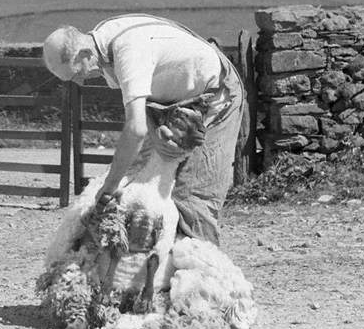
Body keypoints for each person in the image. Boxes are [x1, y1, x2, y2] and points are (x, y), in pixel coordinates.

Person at [42, 14, 244, 245]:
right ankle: (156, 269)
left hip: (216, 95)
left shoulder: (127, 52)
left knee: (191, 198)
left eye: (77, 73)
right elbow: (142, 107)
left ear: (85, 54)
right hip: (175, 98)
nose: (79, 82)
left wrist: (109, 187)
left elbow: (135, 129)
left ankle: (200, 272)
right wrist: (155, 133)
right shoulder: (102, 44)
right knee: (146, 184)